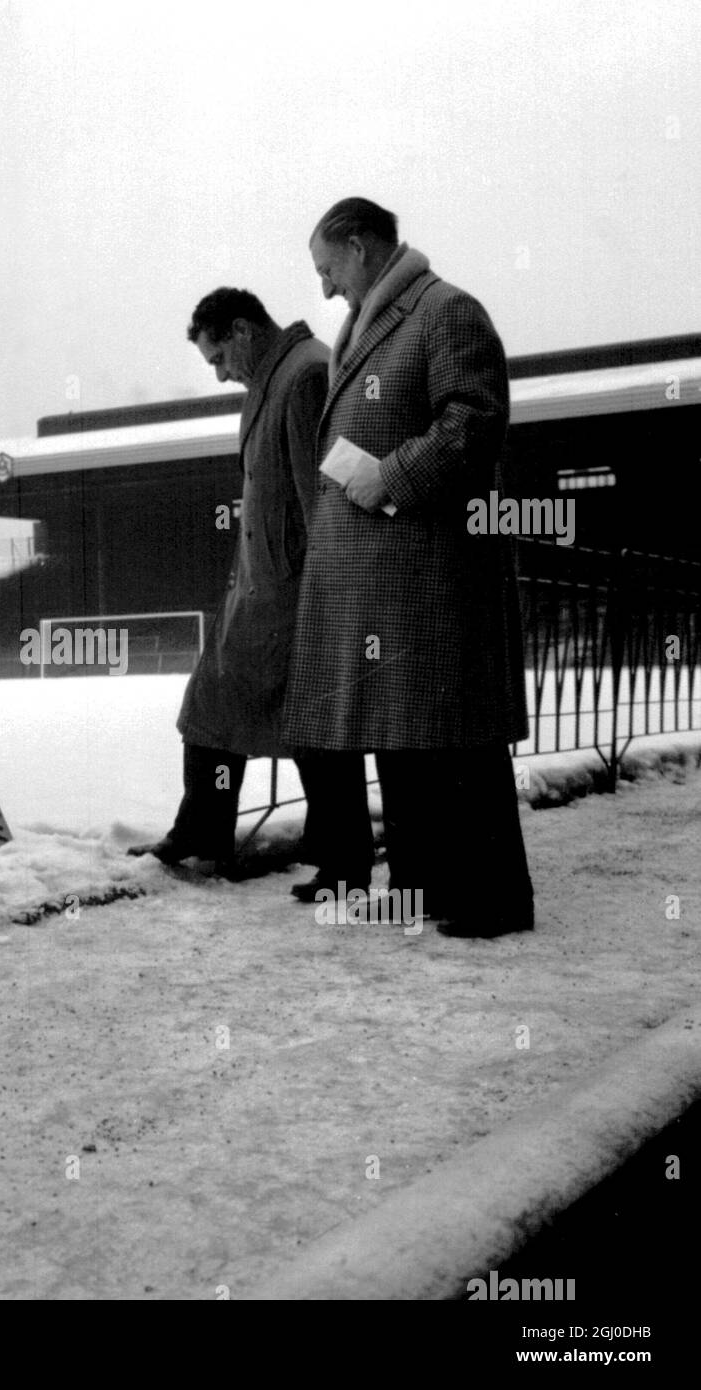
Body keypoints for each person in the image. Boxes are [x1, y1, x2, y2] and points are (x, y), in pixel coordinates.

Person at [282, 197, 534, 937]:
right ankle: (423, 887)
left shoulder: (445, 312)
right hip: (388, 578)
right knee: (407, 739)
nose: (326, 288)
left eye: (329, 270)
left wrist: (392, 475)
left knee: (453, 739)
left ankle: (488, 900)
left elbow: (474, 422)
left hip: (431, 573)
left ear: (360, 249)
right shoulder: (373, 320)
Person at [130, 287, 375, 886]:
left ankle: (342, 862)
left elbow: (322, 497)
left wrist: (328, 596)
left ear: (242, 330)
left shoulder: (305, 375)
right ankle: (204, 830)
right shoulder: (277, 377)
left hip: (296, 595)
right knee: (215, 708)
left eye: (218, 359)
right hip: (264, 589)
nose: (219, 375)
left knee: (317, 727)